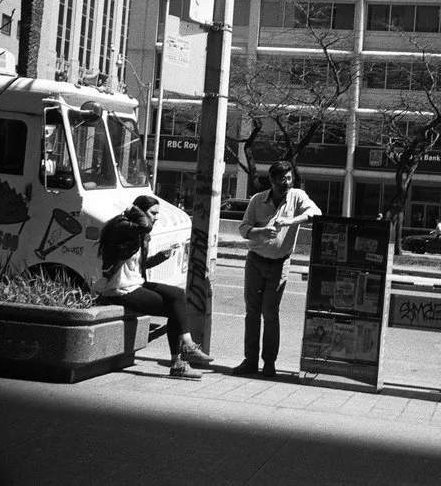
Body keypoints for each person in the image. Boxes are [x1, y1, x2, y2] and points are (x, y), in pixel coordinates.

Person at [94, 194, 213, 379]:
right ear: (139, 211)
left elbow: (140, 265)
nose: (156, 217)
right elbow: (145, 224)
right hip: (119, 288)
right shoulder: (122, 226)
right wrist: (137, 210)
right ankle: (179, 361)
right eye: (153, 213)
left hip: (136, 282)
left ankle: (185, 350)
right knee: (175, 310)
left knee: (178, 295)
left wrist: (161, 257)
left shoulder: (138, 232)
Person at [234, 161, 321, 377]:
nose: (287, 183)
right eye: (282, 179)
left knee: (270, 313)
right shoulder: (257, 200)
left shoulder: (297, 196)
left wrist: (291, 221)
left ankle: (269, 363)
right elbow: (243, 229)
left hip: (280, 263)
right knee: (252, 313)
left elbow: (315, 213)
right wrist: (260, 231)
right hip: (255, 260)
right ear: (271, 181)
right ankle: (250, 361)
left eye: (290, 178)